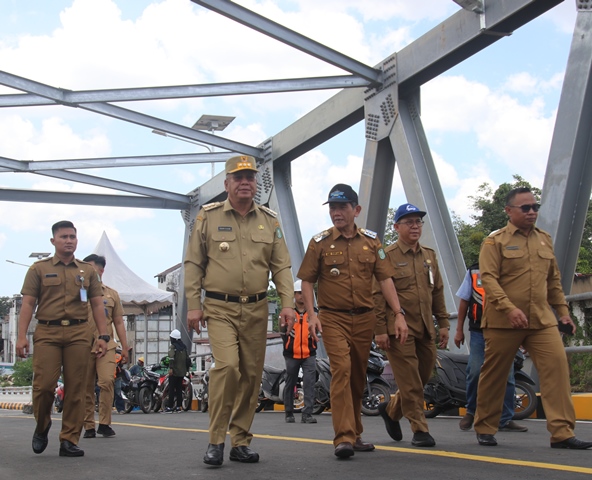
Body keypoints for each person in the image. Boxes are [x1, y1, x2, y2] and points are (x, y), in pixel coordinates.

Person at [184, 155, 295, 466]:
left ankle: (240, 441)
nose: (245, 182)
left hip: (258, 309)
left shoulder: (269, 221)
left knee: (250, 375)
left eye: (250, 177)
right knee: (228, 367)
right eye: (238, 177)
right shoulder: (208, 217)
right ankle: (216, 440)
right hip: (219, 308)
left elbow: (282, 266)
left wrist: (287, 304)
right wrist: (194, 305)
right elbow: (193, 263)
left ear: (255, 183)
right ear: (227, 184)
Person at [474, 187, 592, 449]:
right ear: (509, 211)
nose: (532, 212)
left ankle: (562, 432)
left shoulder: (544, 239)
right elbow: (489, 279)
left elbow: (553, 281)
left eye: (535, 207)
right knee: (495, 374)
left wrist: (563, 313)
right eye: (525, 208)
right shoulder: (495, 241)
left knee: (557, 368)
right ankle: (485, 426)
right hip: (504, 321)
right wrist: (508, 308)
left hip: (540, 320)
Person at [297, 183, 408, 459]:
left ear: (356, 210)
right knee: (342, 369)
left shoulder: (372, 241)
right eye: (333, 207)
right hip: (333, 318)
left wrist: (399, 314)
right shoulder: (319, 242)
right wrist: (312, 315)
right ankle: (343, 438)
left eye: (342, 207)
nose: (336, 213)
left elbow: (384, 279)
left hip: (365, 318)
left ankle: (356, 433)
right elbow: (307, 281)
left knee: (358, 377)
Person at [16, 220, 110, 457]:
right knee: (44, 386)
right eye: (64, 237)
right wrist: (20, 337)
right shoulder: (38, 269)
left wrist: (103, 336)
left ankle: (69, 439)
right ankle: (42, 425)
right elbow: (28, 303)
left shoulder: (87, 271)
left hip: (79, 333)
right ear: (53, 241)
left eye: (72, 237)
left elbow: (98, 305)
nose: (69, 241)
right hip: (47, 332)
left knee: (76, 388)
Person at [373, 203, 449, 448]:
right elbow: (377, 295)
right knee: (411, 382)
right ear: (396, 227)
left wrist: (444, 323)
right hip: (398, 332)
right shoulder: (388, 256)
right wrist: (380, 330)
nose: (415, 226)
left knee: (423, 376)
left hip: (426, 327)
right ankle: (420, 429)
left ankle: (392, 410)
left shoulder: (429, 254)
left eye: (418, 222)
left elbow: (437, 291)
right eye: (409, 222)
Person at [455, 263, 527, 433]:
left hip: (504, 330)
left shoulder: (512, 268)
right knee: (475, 371)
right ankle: (471, 412)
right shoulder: (474, 271)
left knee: (507, 374)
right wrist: (459, 330)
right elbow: (464, 300)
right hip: (479, 331)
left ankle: (505, 418)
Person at [82, 254, 129, 438]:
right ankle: (88, 426)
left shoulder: (111, 294)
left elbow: (118, 322)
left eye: (91, 268)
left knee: (107, 381)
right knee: (86, 387)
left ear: (101, 270)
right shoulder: (79, 293)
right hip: (84, 345)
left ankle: (104, 423)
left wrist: (124, 348)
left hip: (107, 346)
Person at [281, 279, 317, 424]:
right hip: (292, 355)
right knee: (290, 382)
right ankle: (289, 412)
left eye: (303, 293)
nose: (301, 296)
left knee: (309, 383)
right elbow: (282, 332)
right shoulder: (289, 313)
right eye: (299, 293)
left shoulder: (314, 313)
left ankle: (307, 413)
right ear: (294, 295)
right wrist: (288, 345)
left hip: (309, 353)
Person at [165, 328, 190, 413]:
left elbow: (171, 357)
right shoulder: (184, 347)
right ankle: (179, 406)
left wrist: (171, 368)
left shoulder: (173, 347)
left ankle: (169, 406)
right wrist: (187, 370)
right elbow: (187, 359)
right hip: (182, 372)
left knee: (171, 388)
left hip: (174, 371)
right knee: (179, 389)